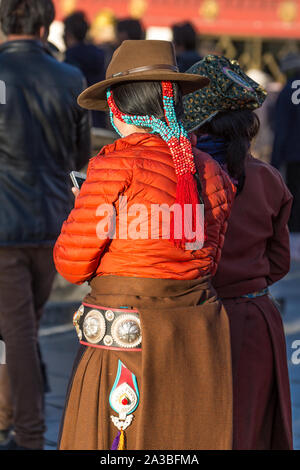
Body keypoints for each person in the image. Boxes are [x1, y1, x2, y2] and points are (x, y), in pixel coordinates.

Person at [54, 39, 237, 450]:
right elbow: (209, 261)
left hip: (125, 342)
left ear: (116, 108)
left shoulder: (113, 163)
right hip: (194, 342)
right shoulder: (210, 171)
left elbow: (72, 263)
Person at [182, 55, 293, 450]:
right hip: (253, 320)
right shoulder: (268, 179)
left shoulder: (182, 177)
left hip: (191, 318)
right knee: (248, 432)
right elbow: (279, 262)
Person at [0, 0, 91, 450]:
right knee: (20, 326)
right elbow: (78, 157)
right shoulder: (69, 78)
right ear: (43, 25)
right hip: (51, 221)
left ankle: (29, 434)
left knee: (16, 331)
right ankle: (10, 415)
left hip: (4, 226)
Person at [271, 53, 300, 233]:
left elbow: (281, 129)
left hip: (293, 155)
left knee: (295, 198)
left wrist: (274, 162)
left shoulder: (287, 91)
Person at [64, 11, 107, 129]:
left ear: (67, 34)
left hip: (78, 120)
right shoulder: (99, 54)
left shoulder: (70, 56)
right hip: (98, 117)